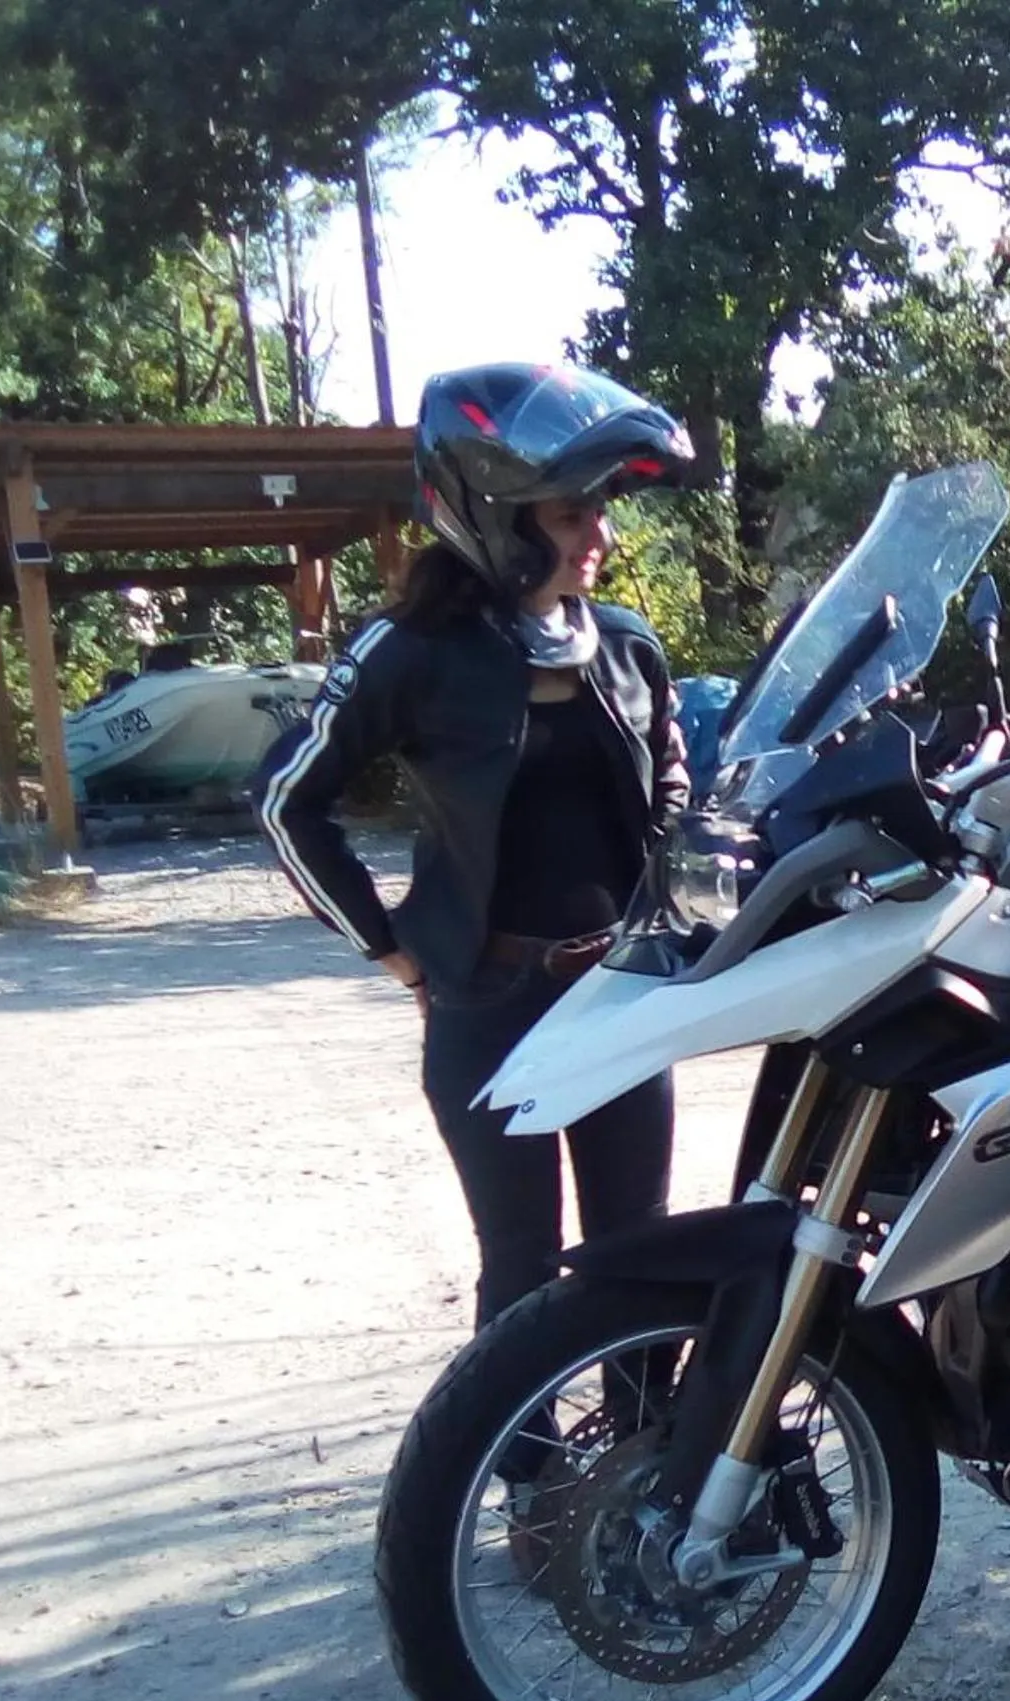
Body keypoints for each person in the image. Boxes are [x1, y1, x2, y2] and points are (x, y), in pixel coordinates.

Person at [254, 361, 697, 1334]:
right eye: (573, 514)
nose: (601, 537)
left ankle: (643, 1470)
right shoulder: (411, 653)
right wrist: (395, 951)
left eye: (600, 512)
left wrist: (686, 892)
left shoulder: (627, 650)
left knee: (640, 1257)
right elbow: (289, 803)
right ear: (498, 514)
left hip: (621, 999)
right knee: (525, 1273)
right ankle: (529, 1477)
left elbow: (674, 789)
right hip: (491, 1007)